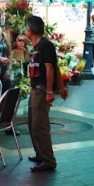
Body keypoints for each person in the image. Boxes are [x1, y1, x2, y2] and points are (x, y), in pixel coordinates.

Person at [26, 15, 68, 172]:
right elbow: (54, 67)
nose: (25, 31)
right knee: (32, 124)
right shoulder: (37, 46)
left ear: (30, 29)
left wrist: (51, 91)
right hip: (35, 89)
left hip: (42, 90)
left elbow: (51, 68)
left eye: (26, 28)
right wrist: (62, 87)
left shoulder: (45, 45)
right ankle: (40, 154)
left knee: (40, 126)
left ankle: (48, 161)